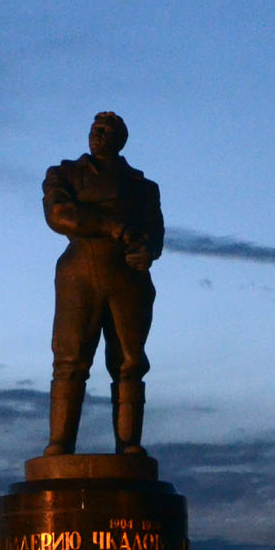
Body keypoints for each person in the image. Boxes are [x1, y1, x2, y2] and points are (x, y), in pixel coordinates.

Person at [42, 112, 163, 454]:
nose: (98, 134)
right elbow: (59, 215)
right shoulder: (64, 174)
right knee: (70, 360)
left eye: (107, 130)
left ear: (120, 139)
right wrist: (113, 227)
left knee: (129, 362)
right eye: (95, 129)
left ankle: (128, 445)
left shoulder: (142, 187)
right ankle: (59, 445)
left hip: (128, 277)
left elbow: (155, 235)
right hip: (79, 272)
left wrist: (147, 250)